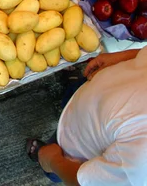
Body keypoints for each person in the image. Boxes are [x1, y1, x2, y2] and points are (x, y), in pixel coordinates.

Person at [27, 48, 147, 185]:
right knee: (73, 92)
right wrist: (125, 56)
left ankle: (46, 161)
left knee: (56, 166)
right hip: (91, 89)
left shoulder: (142, 163)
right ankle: (71, 85)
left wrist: (54, 160)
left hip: (74, 146)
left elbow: (81, 182)